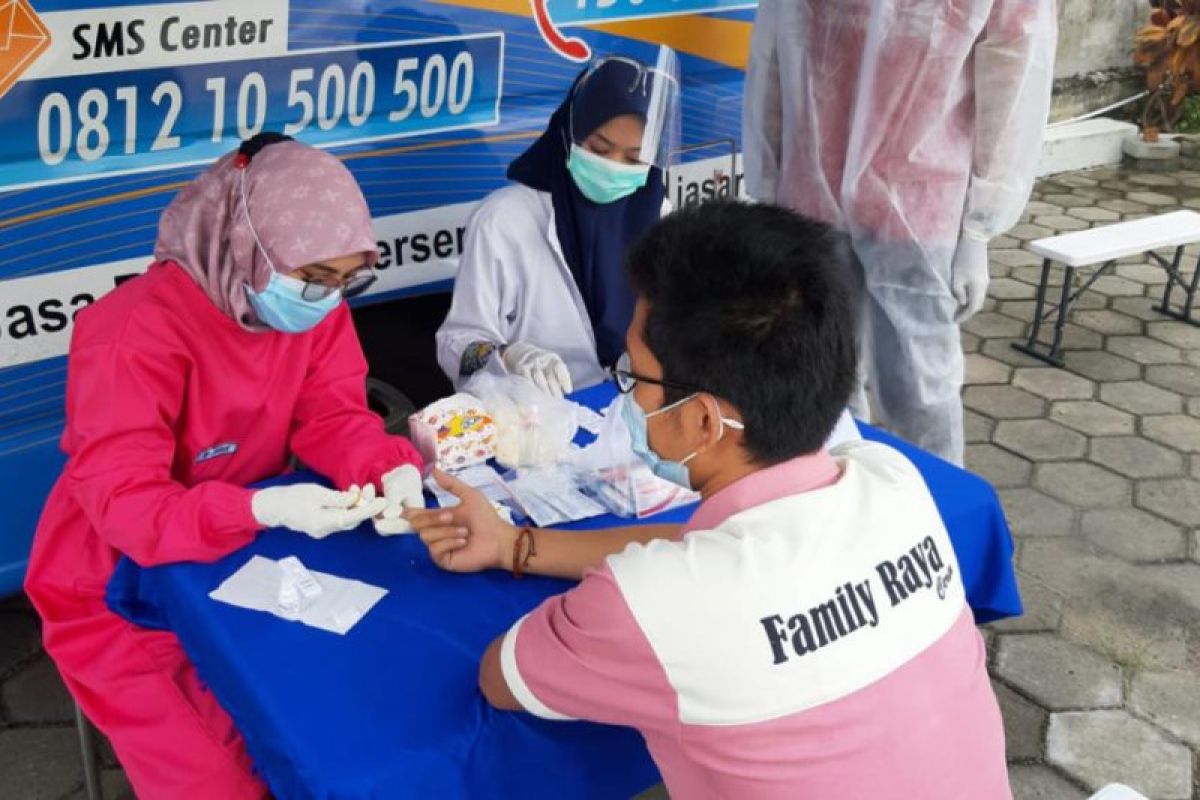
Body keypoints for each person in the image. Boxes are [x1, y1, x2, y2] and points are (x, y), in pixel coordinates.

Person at [407, 201, 1010, 797]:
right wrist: (516, 544)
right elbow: (728, 556)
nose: (627, 399)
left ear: (701, 422)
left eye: (634, 377)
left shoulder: (646, 603)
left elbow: (501, 678)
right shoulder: (892, 481)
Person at [24, 134, 426, 799]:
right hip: (113, 578)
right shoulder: (132, 330)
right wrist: (258, 508)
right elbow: (125, 504)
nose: (328, 298)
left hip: (237, 554)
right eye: (315, 278)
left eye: (345, 280)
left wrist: (387, 468)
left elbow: (332, 415)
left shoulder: (312, 310)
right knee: (223, 774)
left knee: (334, 723)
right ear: (246, 242)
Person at [743, 0, 1056, 464]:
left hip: (918, 201)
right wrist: (768, 186)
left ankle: (931, 507)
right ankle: (836, 496)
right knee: (821, 376)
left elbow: (1011, 71)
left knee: (918, 385)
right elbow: (775, 52)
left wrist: (980, 226)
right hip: (813, 194)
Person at [436, 48, 680, 398]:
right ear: (570, 135)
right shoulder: (505, 219)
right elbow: (455, 344)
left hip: (633, 413)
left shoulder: (661, 215)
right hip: (537, 421)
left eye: (634, 158)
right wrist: (507, 356)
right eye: (599, 149)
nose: (613, 166)